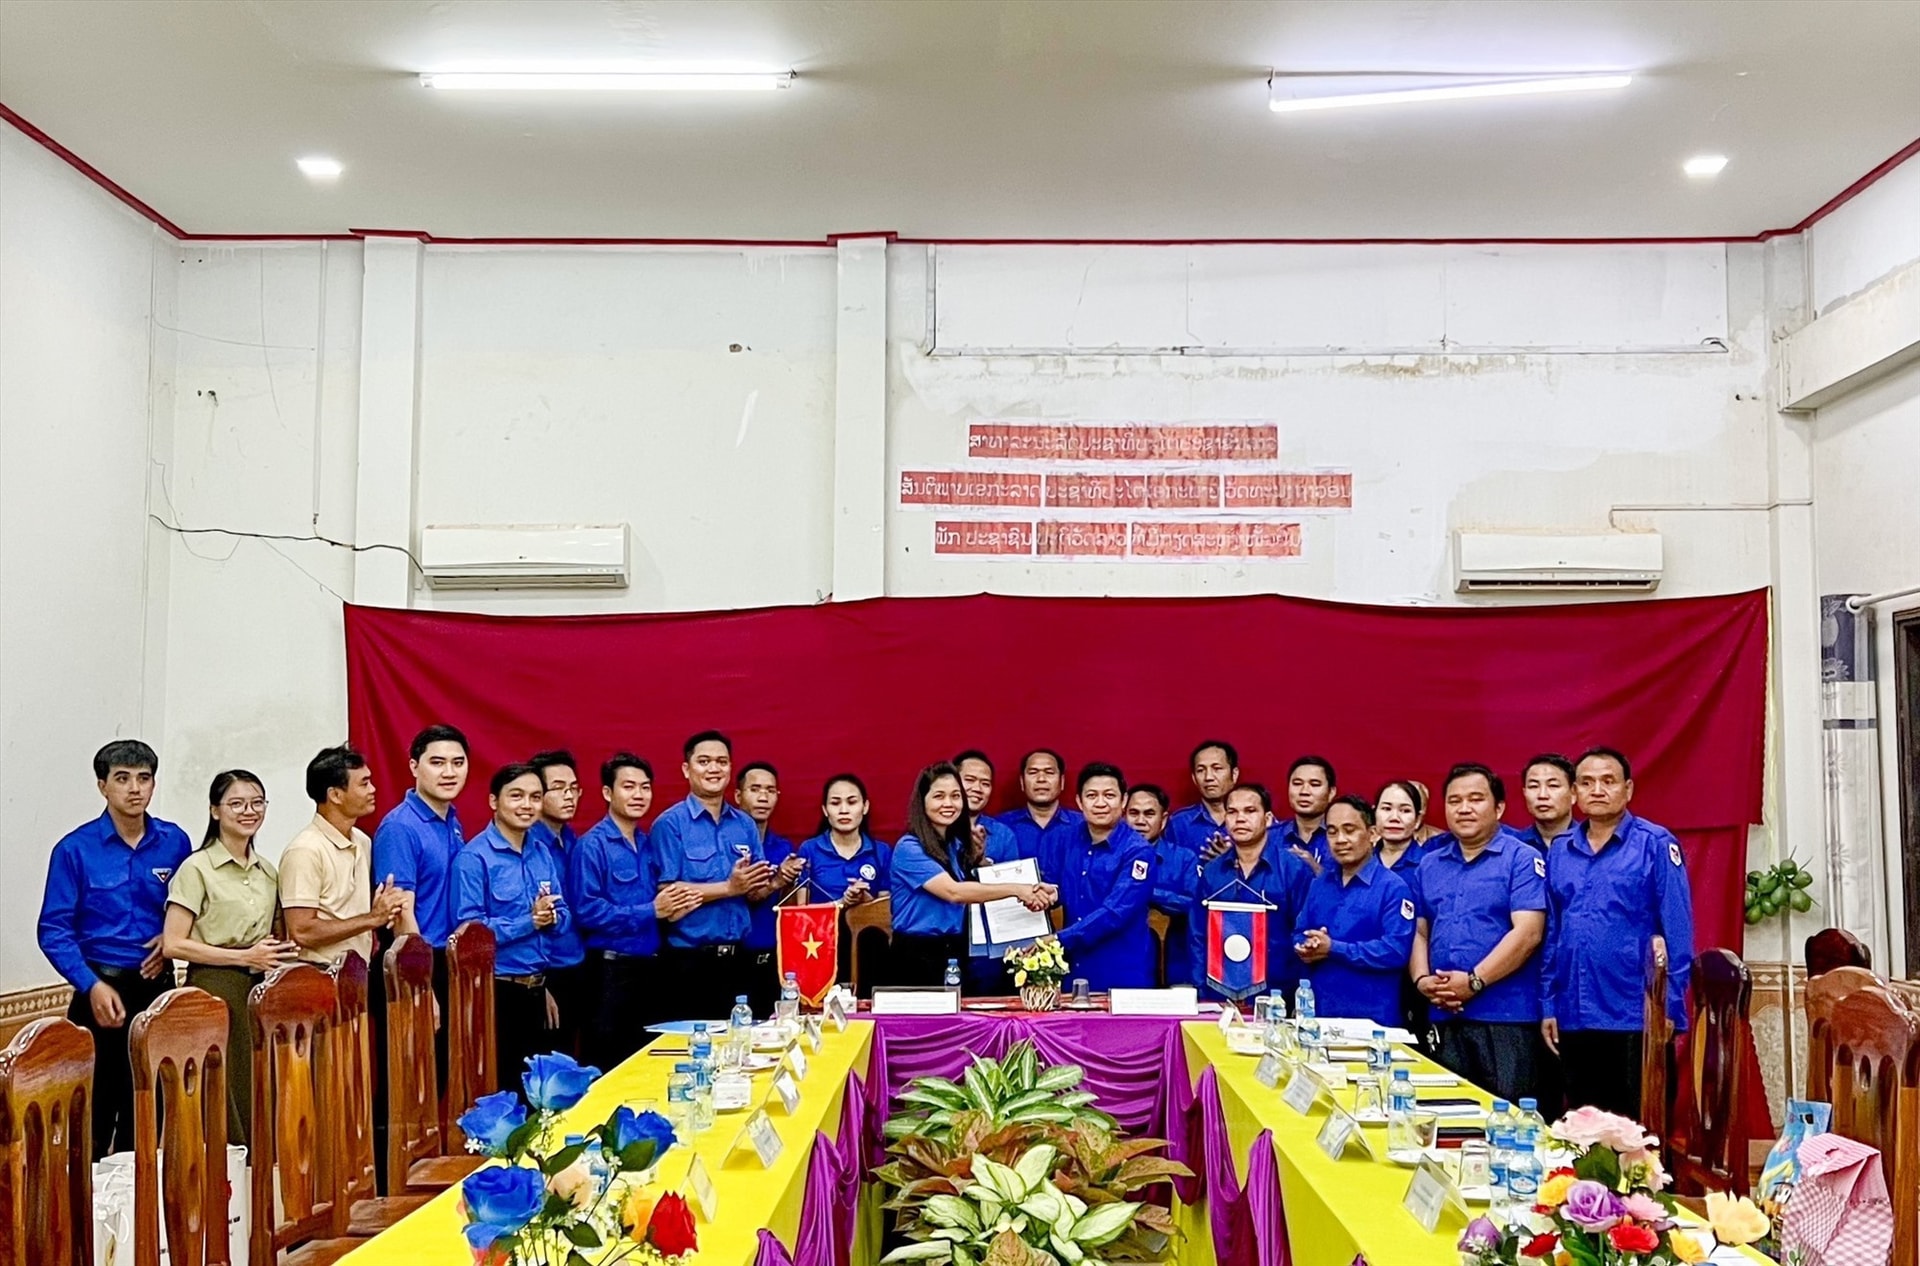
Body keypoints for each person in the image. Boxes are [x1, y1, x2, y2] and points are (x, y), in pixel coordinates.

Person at [38, 739, 192, 1158]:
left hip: (156, 990)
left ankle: (135, 1212)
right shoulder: (75, 850)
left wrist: (171, 937)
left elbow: (193, 904)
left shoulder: (175, 842)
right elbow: (53, 929)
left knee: (150, 1106)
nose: (134, 789)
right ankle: (86, 1213)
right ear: (103, 786)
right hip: (99, 994)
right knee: (92, 1111)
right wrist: (90, 984)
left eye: (143, 778)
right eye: (122, 779)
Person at [1543, 747, 1695, 1118]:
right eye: (1587, 782)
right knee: (1584, 1132)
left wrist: (1669, 1008)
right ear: (1575, 793)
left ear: (1628, 789)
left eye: (1608, 781)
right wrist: (1549, 1004)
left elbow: (1678, 932)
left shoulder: (1655, 844)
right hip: (1574, 1013)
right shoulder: (1561, 850)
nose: (1597, 790)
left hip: (1636, 1015)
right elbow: (1552, 934)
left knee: (1641, 1137)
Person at [163, 769, 299, 1143]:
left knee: (257, 1084)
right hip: (213, 986)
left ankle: (258, 1180)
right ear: (215, 811)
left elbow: (273, 937)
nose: (248, 811)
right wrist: (243, 957)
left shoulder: (267, 871)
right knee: (224, 1089)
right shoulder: (197, 868)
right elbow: (173, 943)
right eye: (236, 804)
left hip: (259, 990)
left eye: (257, 803)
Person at [1407, 763, 1548, 1105]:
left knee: (1506, 1123)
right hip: (1443, 1014)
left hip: (1505, 1019)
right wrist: (1422, 980)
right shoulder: (1430, 864)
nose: (1464, 808)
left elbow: (1528, 933)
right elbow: (1419, 931)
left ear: (1498, 807)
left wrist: (1473, 982)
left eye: (1475, 799)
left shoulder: (1522, 859)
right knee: (1446, 1122)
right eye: (1455, 801)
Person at [451, 763, 584, 1081]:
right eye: (517, 796)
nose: (527, 805)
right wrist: (530, 922)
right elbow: (471, 934)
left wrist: (551, 918)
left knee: (540, 1095)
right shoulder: (475, 858)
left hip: (538, 987)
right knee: (503, 1088)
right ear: (494, 801)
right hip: (496, 993)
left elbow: (562, 914)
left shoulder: (541, 852)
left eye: (535, 797)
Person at [569, 753, 690, 1068]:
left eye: (645, 787)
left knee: (648, 1063)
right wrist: (651, 911)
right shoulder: (591, 846)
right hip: (609, 973)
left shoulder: (649, 843)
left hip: (651, 970)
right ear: (608, 793)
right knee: (608, 1063)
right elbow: (587, 911)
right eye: (629, 787)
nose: (638, 795)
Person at [889, 763, 1054, 986]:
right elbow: (954, 892)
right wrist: (1019, 890)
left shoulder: (955, 846)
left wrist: (979, 861)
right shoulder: (909, 847)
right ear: (922, 801)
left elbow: (972, 884)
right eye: (939, 796)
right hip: (916, 955)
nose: (948, 804)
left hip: (954, 951)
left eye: (955, 796)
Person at [648, 731, 773, 1020]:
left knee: (739, 1049)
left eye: (722, 761)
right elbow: (668, 895)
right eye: (704, 761)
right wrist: (729, 887)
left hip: (740, 959)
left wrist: (770, 881)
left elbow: (753, 893)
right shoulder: (670, 824)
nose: (714, 769)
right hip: (689, 963)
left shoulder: (744, 824)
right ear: (686, 769)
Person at [370, 724, 468, 1073]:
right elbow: (400, 913)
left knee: (442, 1075)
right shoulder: (400, 827)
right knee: (411, 1079)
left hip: (448, 960)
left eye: (458, 762)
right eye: (437, 762)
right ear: (414, 767)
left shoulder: (453, 821)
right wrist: (423, 987)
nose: (449, 772)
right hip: (414, 961)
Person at [281, 744, 415, 969]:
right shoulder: (305, 850)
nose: (373, 789)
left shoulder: (363, 840)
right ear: (335, 795)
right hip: (318, 973)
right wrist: (373, 919)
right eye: (364, 783)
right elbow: (301, 931)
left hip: (358, 970)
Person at [1292, 795, 1415, 1028]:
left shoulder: (1393, 887)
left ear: (1373, 834)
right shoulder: (1320, 884)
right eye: (1332, 831)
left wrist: (1334, 948)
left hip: (1373, 1023)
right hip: (1318, 1017)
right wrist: (1305, 946)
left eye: (1350, 830)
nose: (1340, 840)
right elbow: (1299, 931)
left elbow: (1395, 951)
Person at [1188, 783, 1314, 1002]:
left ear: (1267, 819)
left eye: (1250, 811)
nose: (1240, 818)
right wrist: (1201, 992)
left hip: (1277, 995)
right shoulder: (1212, 872)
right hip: (1218, 992)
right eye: (1232, 812)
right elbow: (1198, 936)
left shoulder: (1293, 869)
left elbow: (1303, 930)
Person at [1037, 763, 1156, 992]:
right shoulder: (1066, 839)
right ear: (1080, 802)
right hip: (1072, 969)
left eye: (1109, 795)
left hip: (1121, 972)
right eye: (1092, 795)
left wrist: (1058, 940)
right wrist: (1053, 894)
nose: (1100, 803)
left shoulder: (1139, 851)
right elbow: (1062, 888)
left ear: (1123, 801)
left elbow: (1115, 912)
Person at [1156, 742, 1240, 988]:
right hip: (1187, 940)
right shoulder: (1178, 824)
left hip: (1239, 937)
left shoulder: (1253, 822)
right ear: (1194, 777)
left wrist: (1232, 861)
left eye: (1217, 768)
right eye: (1201, 770)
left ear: (1234, 774)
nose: (1209, 777)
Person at [796, 773, 891, 990]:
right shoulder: (809, 850)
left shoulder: (882, 852)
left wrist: (866, 901)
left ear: (865, 807)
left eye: (852, 802)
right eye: (835, 803)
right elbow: (801, 913)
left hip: (869, 949)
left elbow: (887, 912)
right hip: (820, 947)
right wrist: (842, 902)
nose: (844, 810)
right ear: (824, 810)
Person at [737, 761, 806, 1015]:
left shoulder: (783, 847)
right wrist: (774, 881)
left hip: (773, 958)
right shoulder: (727, 842)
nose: (763, 797)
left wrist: (789, 878)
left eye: (770, 790)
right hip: (734, 956)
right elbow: (746, 894)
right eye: (755, 789)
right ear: (737, 795)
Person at [995, 748, 1084, 860]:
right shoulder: (1001, 826)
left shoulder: (1083, 825)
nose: (1041, 779)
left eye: (1049, 772)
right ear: (1022, 782)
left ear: (1062, 782)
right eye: (1033, 773)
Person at [954, 750, 1021, 865]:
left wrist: (982, 862)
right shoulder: (935, 828)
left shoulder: (1003, 835)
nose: (977, 789)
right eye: (970, 780)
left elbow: (1014, 882)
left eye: (985, 784)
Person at [1277, 756, 1337, 872]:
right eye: (1297, 783)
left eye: (1314, 784)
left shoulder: (1343, 839)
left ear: (1331, 792)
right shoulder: (1269, 837)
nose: (1304, 791)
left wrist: (1316, 870)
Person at [528, 748, 583, 856]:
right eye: (558, 788)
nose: (569, 796)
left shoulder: (570, 836)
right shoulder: (527, 843)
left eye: (573, 788)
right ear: (536, 795)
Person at [1518, 754, 1577, 853]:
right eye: (1533, 786)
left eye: (1553, 785)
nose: (1542, 795)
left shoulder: (1590, 844)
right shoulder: (1515, 847)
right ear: (1524, 793)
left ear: (1573, 792)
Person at [1373, 780, 1429, 874]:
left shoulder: (1429, 865)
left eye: (1405, 810)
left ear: (1418, 820)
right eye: (1387, 808)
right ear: (1374, 814)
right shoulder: (1360, 862)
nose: (1394, 818)